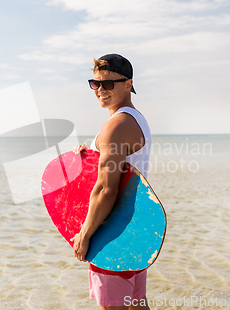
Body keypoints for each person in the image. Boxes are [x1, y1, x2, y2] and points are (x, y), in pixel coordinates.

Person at [71, 54, 152, 310]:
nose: (101, 90)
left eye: (109, 84)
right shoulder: (135, 119)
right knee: (137, 306)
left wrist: (84, 234)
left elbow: (106, 189)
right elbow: (125, 166)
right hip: (136, 230)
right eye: (95, 84)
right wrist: (92, 154)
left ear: (128, 84)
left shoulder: (115, 125)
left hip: (113, 234)